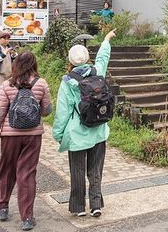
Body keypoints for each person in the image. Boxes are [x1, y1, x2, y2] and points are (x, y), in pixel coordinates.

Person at [52, 28, 117, 218]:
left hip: (77, 135)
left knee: (78, 171)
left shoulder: (68, 81)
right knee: (95, 171)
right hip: (99, 130)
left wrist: (57, 134)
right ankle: (96, 205)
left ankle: (79, 207)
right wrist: (106, 40)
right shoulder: (97, 72)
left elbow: (62, 112)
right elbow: (103, 58)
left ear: (70, 62)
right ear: (88, 58)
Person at [0, 52, 52, 231]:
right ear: (34, 64)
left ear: (16, 64)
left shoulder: (7, 85)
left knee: (7, 171)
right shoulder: (41, 83)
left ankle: (3, 207)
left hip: (10, 136)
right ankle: (27, 218)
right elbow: (47, 111)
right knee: (27, 174)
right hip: (33, 136)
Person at [0, 30, 17, 105]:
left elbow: (14, 58)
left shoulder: (9, 48)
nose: (6, 40)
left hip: (9, 75)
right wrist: (4, 53)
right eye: (4, 38)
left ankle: (5, 110)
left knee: (8, 93)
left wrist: (13, 55)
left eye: (8, 38)